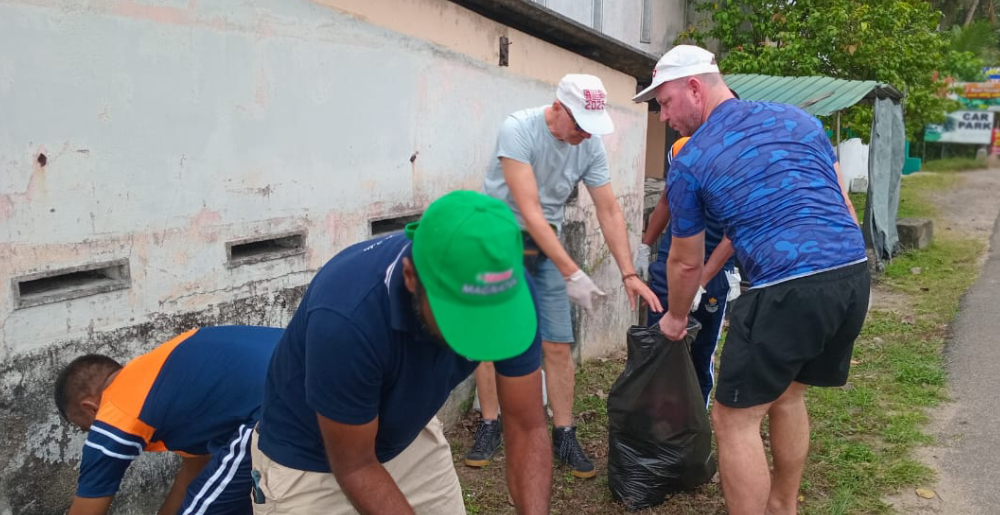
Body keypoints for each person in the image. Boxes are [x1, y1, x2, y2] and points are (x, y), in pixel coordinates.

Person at [633, 45, 869, 515]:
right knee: (787, 394)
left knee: (733, 419)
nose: (663, 116)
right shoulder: (799, 121)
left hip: (786, 289)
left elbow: (683, 261)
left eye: (665, 102)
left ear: (695, 88)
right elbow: (842, 205)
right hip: (851, 275)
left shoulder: (691, 160)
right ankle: (783, 506)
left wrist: (676, 319)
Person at [251, 190, 550, 515]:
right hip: (309, 462)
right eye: (462, 318)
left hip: (406, 443)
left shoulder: (507, 295)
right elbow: (355, 466)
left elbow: (525, 425)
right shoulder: (347, 318)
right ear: (410, 277)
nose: (480, 334)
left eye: (489, 317)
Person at [468, 73, 662, 479]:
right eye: (578, 125)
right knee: (490, 340)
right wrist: (572, 270)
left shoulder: (589, 145)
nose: (583, 135)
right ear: (557, 107)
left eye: (591, 127)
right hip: (496, 240)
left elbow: (608, 210)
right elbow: (530, 212)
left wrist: (628, 271)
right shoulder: (518, 130)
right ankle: (490, 423)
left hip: (543, 246)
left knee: (558, 342)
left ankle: (564, 431)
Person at [55, 325, 283, 515]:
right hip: (307, 381)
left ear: (91, 407)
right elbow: (193, 473)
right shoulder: (167, 382)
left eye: (86, 427)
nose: (94, 433)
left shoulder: (118, 406)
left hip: (276, 403)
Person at [635, 135, 738, 406]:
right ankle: (653, 418)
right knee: (656, 344)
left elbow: (732, 236)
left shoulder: (736, 166)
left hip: (713, 272)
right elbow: (666, 204)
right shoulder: (681, 149)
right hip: (670, 268)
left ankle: (693, 424)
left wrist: (700, 282)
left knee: (700, 352)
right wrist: (644, 247)